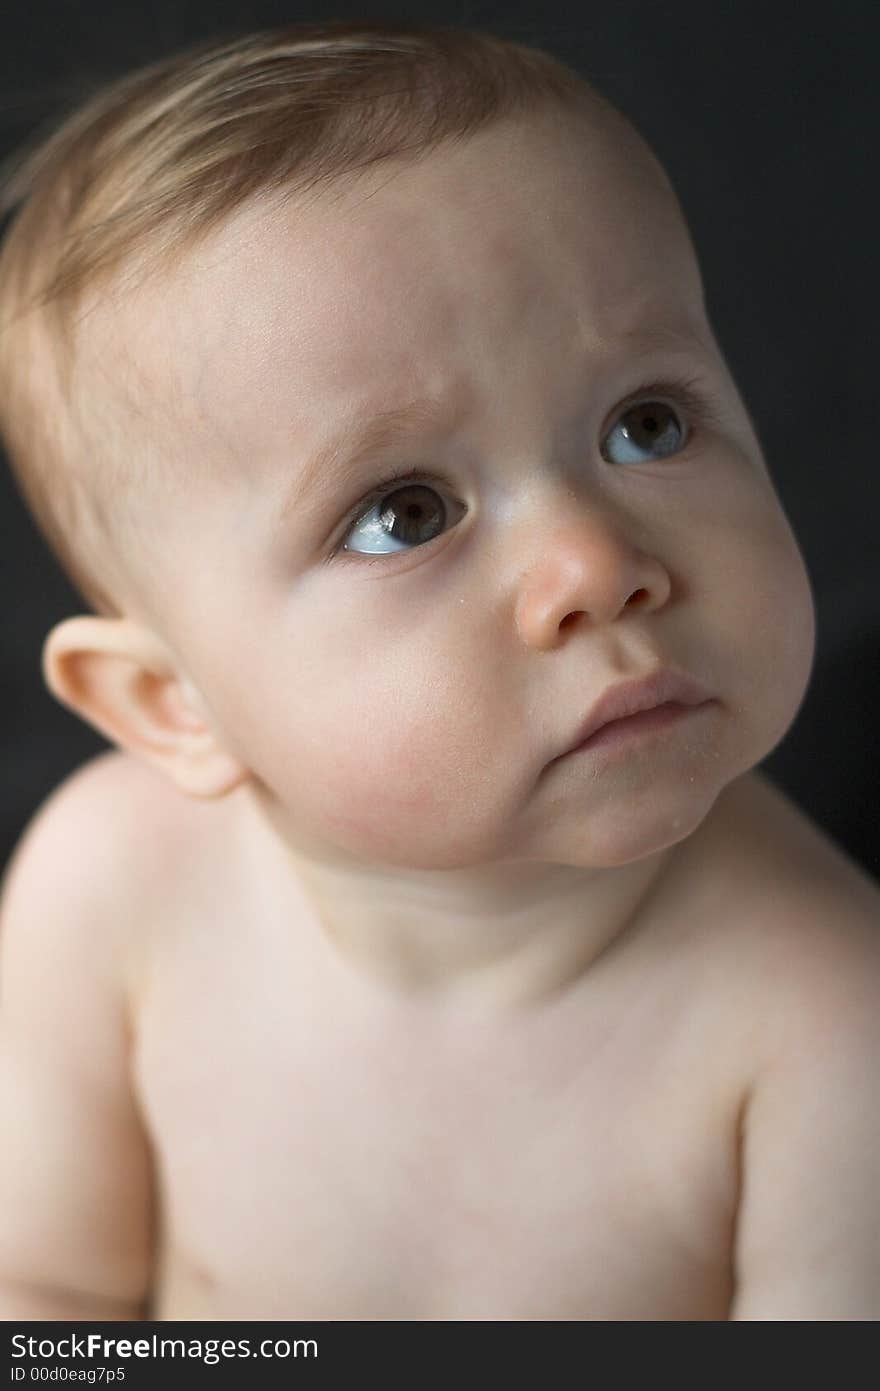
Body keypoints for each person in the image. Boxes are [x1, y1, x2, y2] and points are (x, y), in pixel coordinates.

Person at [0, 19, 877, 1322]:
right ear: (172, 706)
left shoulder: (826, 1024)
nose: (595, 563)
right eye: (404, 513)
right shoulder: (110, 897)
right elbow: (45, 1294)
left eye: (646, 424)